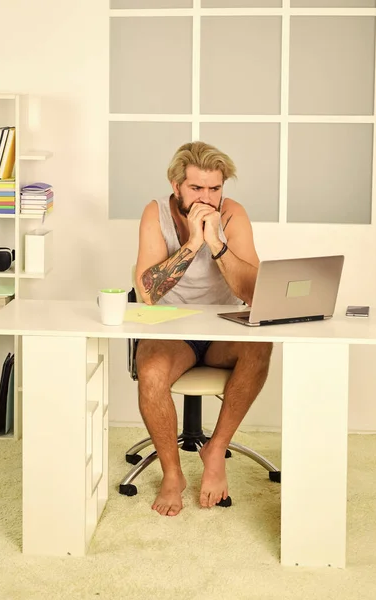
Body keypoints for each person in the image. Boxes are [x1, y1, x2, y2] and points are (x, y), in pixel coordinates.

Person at [135, 141, 273, 517]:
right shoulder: (156, 213)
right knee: (149, 371)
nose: (207, 198)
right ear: (176, 185)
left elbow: (253, 293)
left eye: (215, 189)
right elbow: (147, 292)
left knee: (261, 346)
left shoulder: (232, 215)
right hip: (171, 329)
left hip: (223, 328)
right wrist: (193, 242)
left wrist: (214, 242)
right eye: (197, 188)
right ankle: (172, 474)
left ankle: (216, 449)